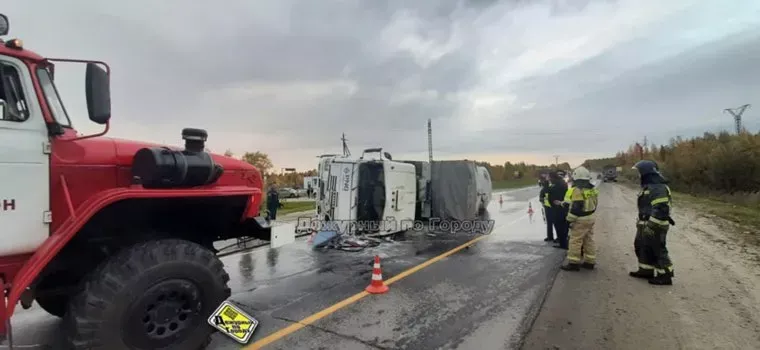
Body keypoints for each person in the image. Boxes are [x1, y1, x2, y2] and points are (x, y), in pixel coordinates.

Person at [629, 160, 676, 285]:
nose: (638, 175)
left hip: (656, 224)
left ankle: (665, 275)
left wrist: (652, 225)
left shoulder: (658, 187)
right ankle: (645, 270)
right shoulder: (649, 186)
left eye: (639, 172)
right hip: (645, 222)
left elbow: (661, 208)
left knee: (657, 249)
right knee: (642, 247)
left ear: (646, 173)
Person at [560, 166, 599, 271]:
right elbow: (595, 204)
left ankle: (573, 263)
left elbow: (576, 207)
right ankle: (590, 262)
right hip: (590, 217)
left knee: (575, 241)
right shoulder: (592, 189)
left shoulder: (577, 190)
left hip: (580, 220)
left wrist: (569, 220)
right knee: (588, 240)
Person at [548, 170, 569, 249]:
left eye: (549, 177)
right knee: (564, 227)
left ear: (552, 177)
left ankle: (563, 244)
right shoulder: (563, 183)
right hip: (564, 207)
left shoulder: (555, 185)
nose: (549, 179)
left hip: (557, 208)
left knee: (559, 227)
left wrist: (553, 204)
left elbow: (551, 197)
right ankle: (564, 242)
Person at [539, 174, 555, 242]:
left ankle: (550, 236)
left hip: (547, 208)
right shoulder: (552, 188)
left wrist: (544, 202)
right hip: (554, 207)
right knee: (556, 223)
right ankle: (559, 237)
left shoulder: (542, 190)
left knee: (549, 223)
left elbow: (540, 199)